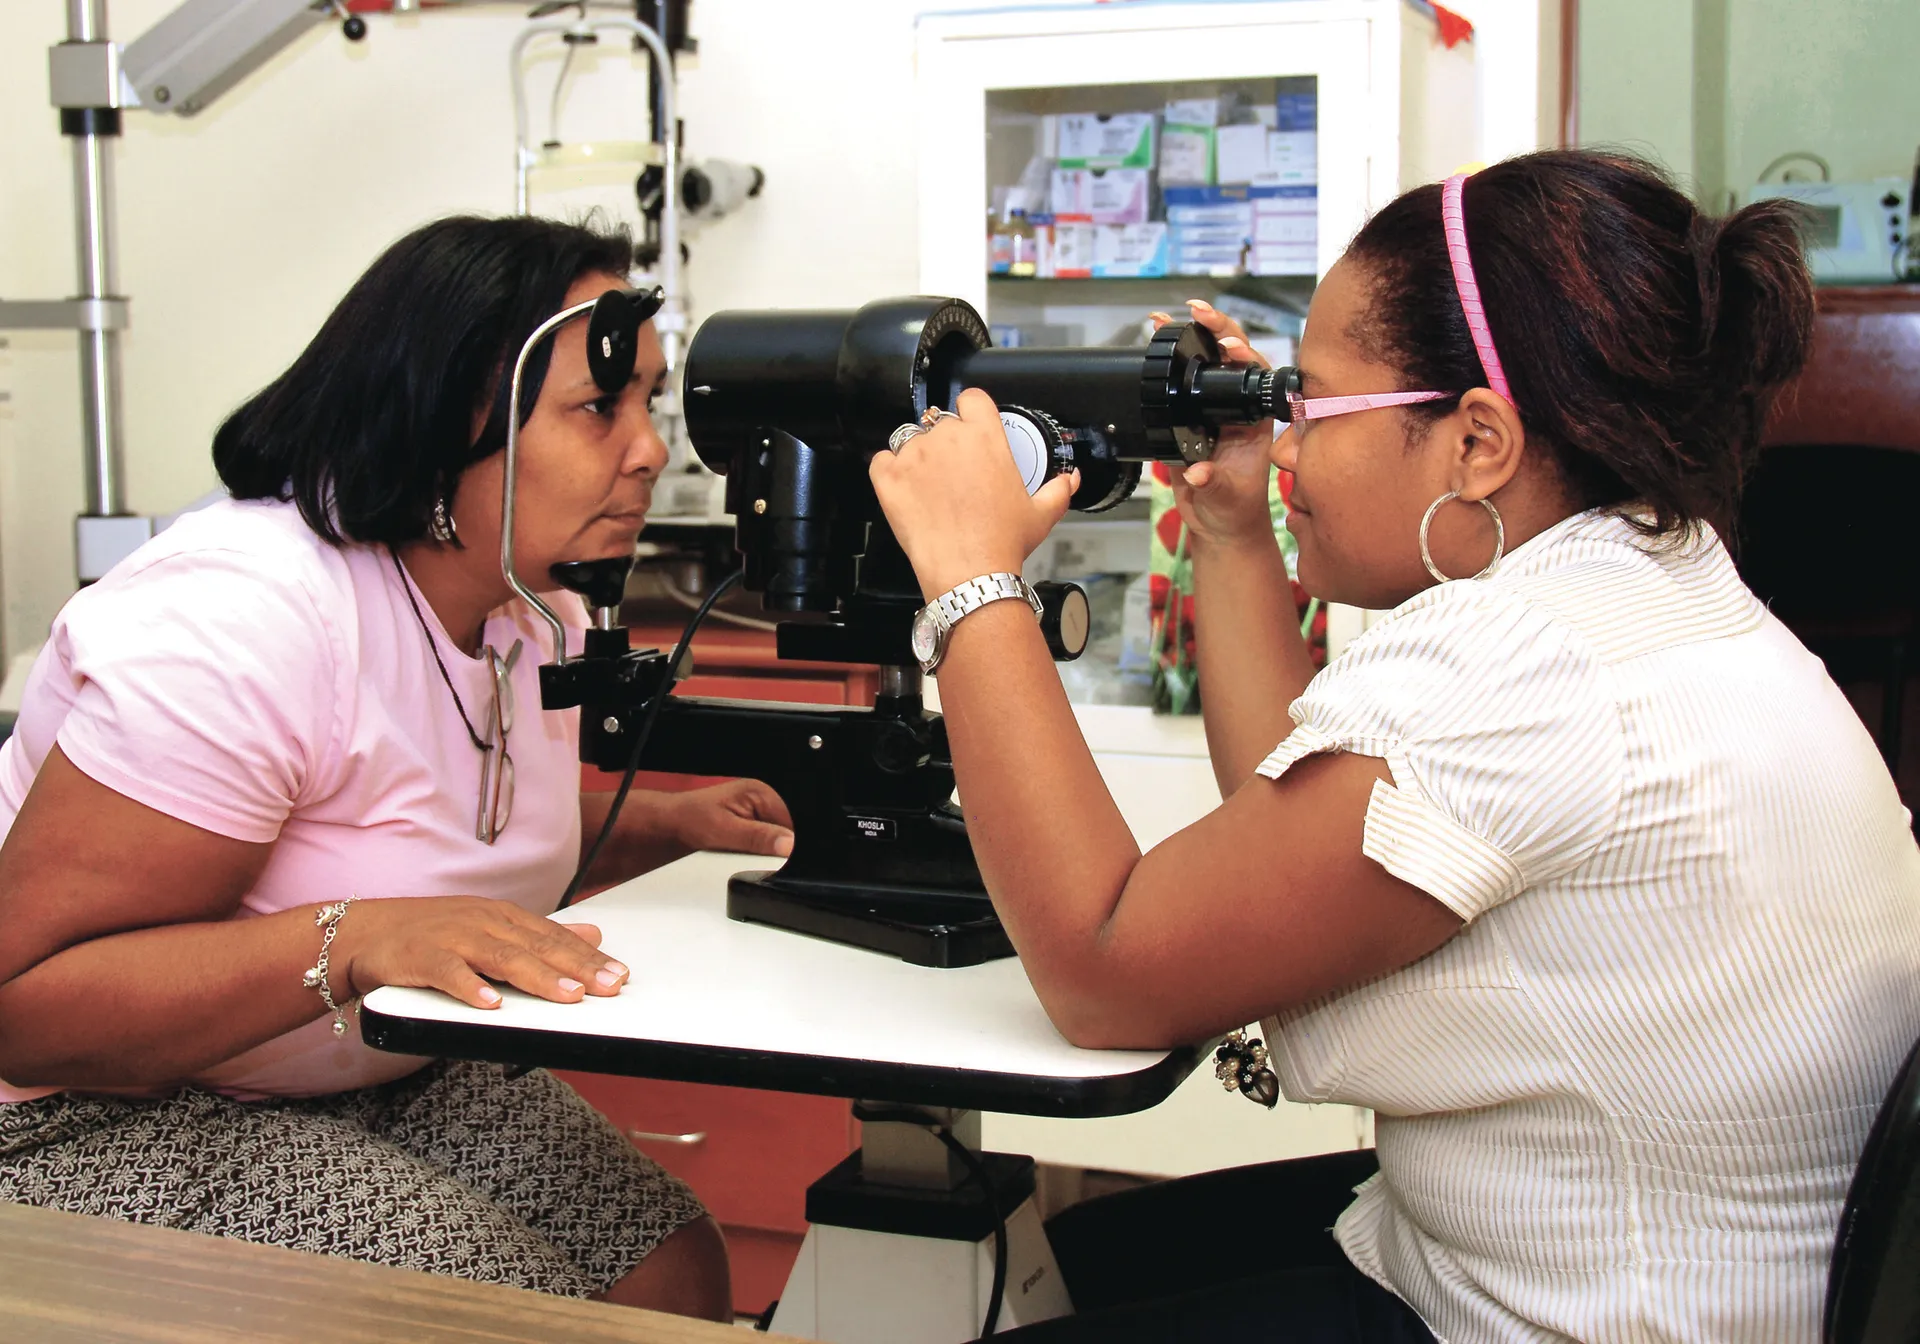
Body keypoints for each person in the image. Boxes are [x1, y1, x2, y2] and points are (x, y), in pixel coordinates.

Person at [870, 150, 1920, 1341]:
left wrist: (971, 579)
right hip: (1603, 1262)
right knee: (1072, 1261)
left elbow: (1107, 970)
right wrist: (1234, 530)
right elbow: (1282, 846)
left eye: (1308, 406)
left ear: (1478, 443)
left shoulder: (1531, 669)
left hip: (1598, 1317)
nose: (1292, 446)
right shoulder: (1641, 581)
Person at [0, 215, 795, 1320]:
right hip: (87, 1107)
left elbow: (415, 806)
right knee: (513, 1315)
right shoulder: (245, 621)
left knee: (669, 1272)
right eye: (598, 407)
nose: (651, 449)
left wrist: (671, 821)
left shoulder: (532, 605)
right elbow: (27, 1006)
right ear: (440, 421)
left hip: (370, 1052)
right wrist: (359, 939)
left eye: (648, 405)